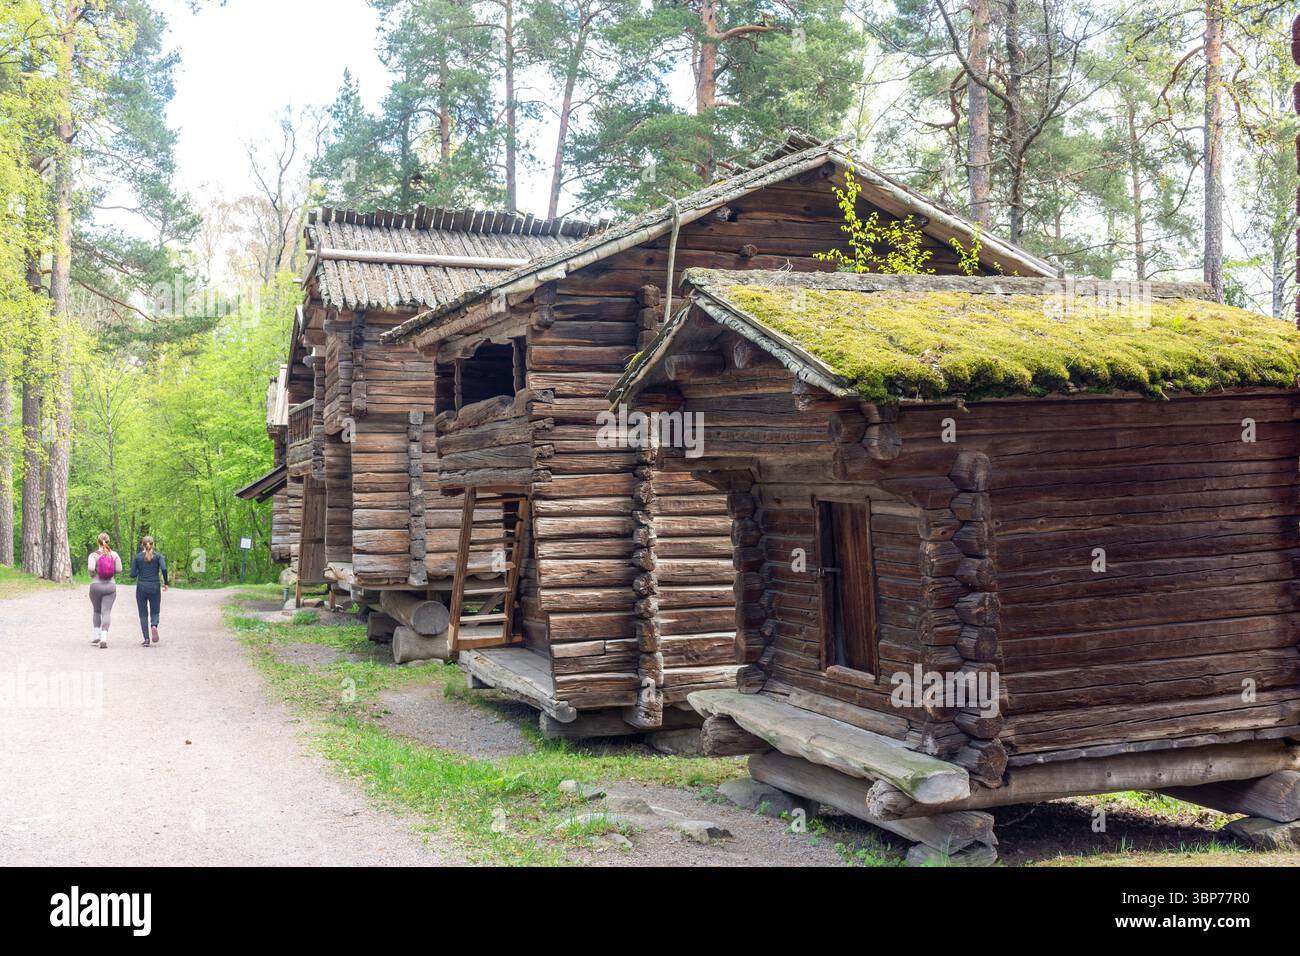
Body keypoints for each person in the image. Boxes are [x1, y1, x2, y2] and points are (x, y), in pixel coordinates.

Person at [129, 535, 169, 647]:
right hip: (155, 586)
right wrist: (166, 583)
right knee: (155, 611)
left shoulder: (138, 558)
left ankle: (146, 639)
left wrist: (139, 571)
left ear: (142, 544)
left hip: (141, 587)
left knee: (143, 613)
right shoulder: (159, 556)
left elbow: (132, 575)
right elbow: (164, 569)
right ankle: (154, 626)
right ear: (153, 544)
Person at [88, 533, 122, 649]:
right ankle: (103, 638)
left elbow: (91, 568)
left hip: (95, 586)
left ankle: (96, 634)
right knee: (106, 612)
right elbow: (119, 569)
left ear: (98, 542)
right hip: (110, 586)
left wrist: (93, 575)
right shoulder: (114, 554)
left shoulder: (93, 555)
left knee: (97, 611)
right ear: (108, 541)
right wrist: (110, 571)